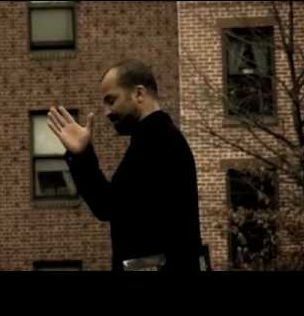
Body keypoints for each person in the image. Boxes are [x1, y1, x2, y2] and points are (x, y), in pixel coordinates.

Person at [47, 59, 203, 272]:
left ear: (139, 94)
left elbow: (108, 205)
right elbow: (111, 205)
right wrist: (82, 155)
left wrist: (82, 156)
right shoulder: (157, 139)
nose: (107, 112)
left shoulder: (158, 141)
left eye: (111, 100)